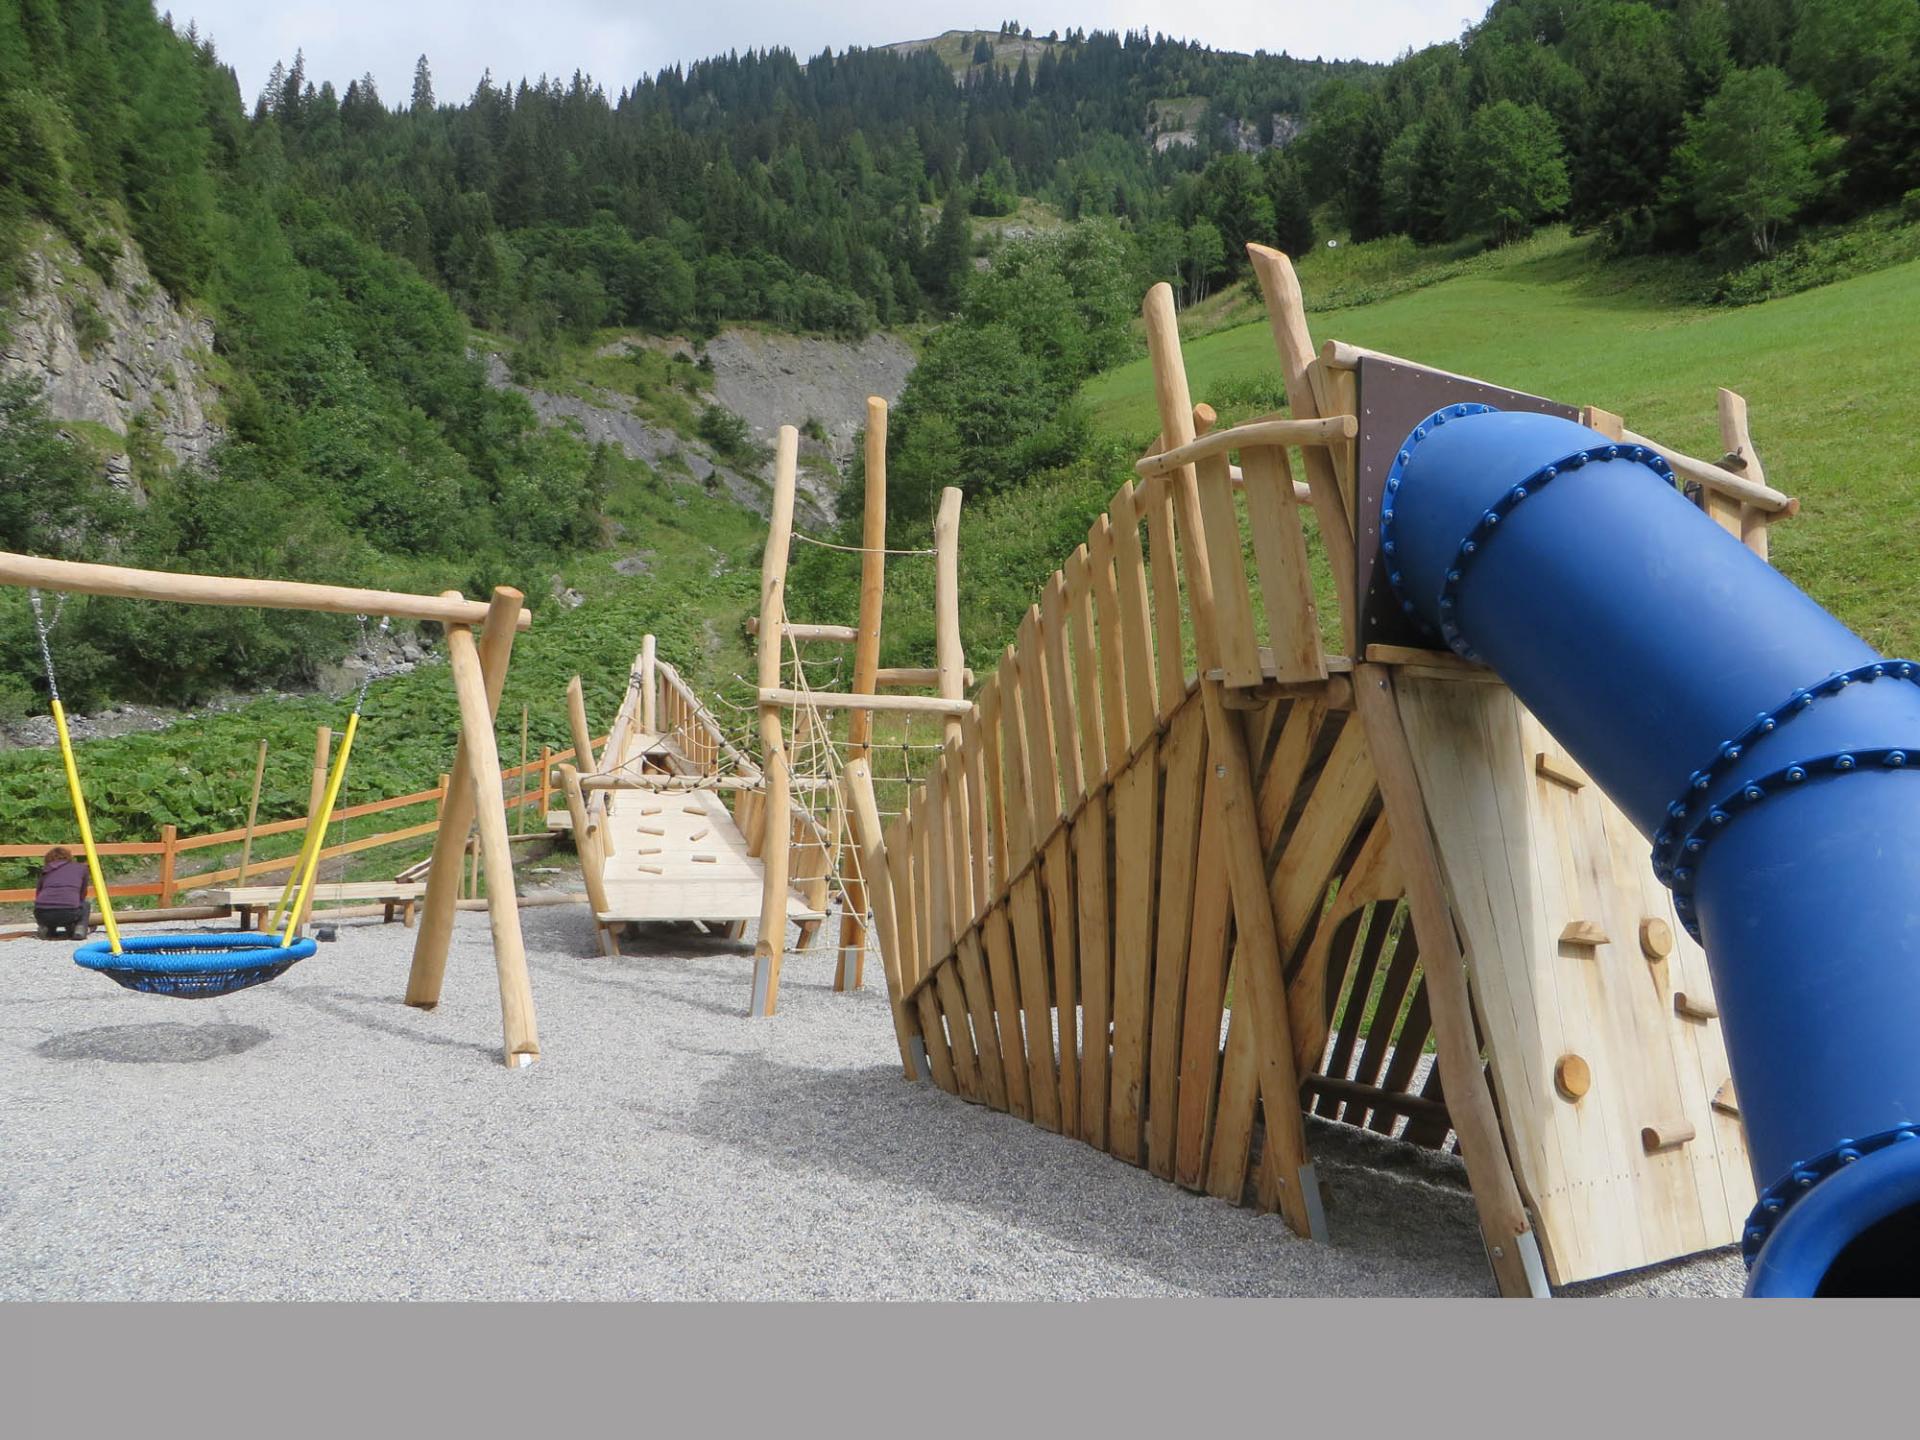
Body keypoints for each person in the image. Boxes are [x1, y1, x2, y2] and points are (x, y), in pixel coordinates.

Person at [34, 846, 90, 941]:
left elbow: (38, 893)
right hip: (69, 912)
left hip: (42, 913)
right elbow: (83, 893)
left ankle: (47, 928)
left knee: (44, 906)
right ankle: (79, 928)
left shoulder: (46, 870)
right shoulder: (81, 868)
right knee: (85, 904)